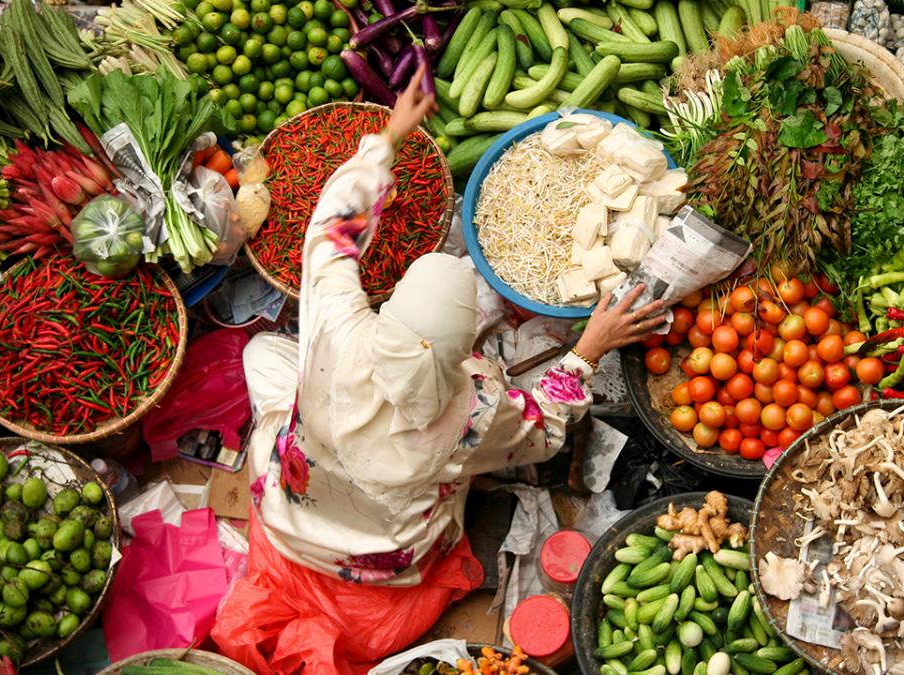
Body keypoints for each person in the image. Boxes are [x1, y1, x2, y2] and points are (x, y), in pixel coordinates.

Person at [211, 65, 668, 674]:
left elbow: (330, 231)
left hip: (291, 505)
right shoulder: (471, 417)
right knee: (474, 464)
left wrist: (387, 139)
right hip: (386, 556)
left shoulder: (339, 328)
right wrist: (588, 349)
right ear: (462, 355)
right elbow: (547, 425)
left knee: (262, 354)